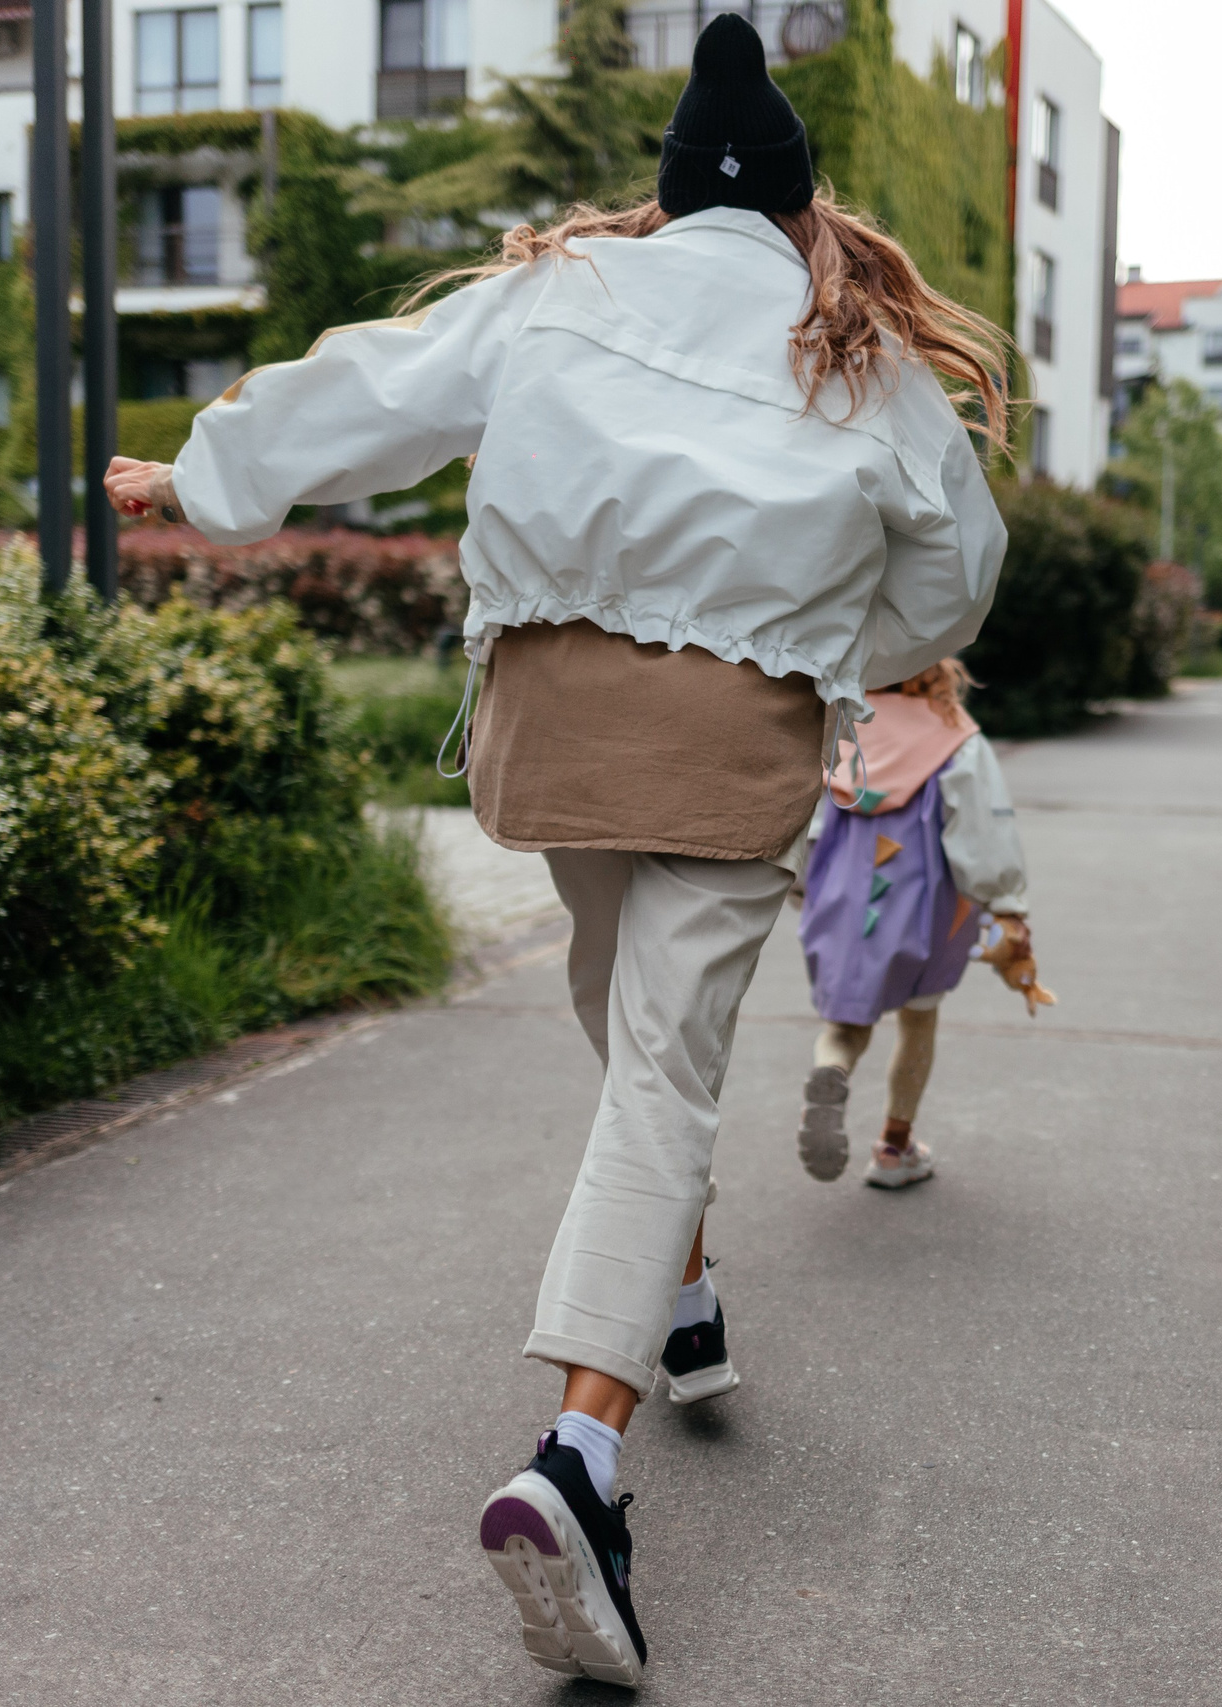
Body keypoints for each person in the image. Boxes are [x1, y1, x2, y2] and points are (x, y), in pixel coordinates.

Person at [102, 15, 1006, 1688]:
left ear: (664, 197)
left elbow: (376, 387)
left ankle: (688, 1289)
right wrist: (836, 637)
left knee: (616, 1018)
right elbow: (953, 577)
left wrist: (201, 482)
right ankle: (581, 1459)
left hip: (557, 719)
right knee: (660, 1066)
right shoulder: (854, 351)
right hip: (732, 732)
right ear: (804, 205)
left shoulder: (567, 290)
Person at [796, 661, 1048, 1187]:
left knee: (845, 1024)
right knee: (919, 1017)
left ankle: (832, 1073)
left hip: (842, 902)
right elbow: (981, 827)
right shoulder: (954, 736)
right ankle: (894, 1148)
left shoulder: (840, 725)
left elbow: (809, 822)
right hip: (928, 906)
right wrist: (1007, 903)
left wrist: (803, 890)